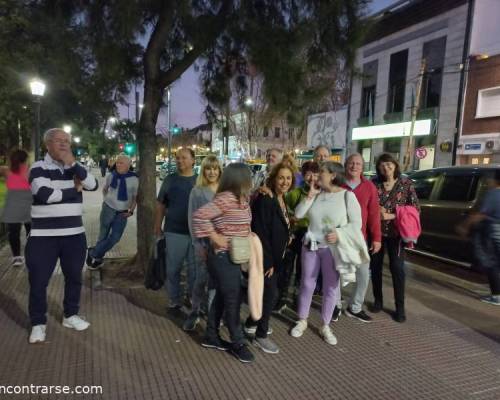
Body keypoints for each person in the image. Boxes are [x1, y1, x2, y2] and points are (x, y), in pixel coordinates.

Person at [26, 128, 98, 344]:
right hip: (42, 237)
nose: (65, 145)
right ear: (47, 144)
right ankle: (38, 323)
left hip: (74, 235)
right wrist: (74, 191)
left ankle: (70, 315)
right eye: (59, 141)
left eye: (67, 141)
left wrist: (74, 165)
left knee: (74, 277)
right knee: (38, 281)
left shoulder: (75, 168)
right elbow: (45, 195)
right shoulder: (38, 168)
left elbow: (93, 184)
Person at [291, 161, 362, 345]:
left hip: (332, 249)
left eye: (320, 172)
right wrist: (310, 196)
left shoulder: (347, 196)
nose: (316, 176)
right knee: (307, 284)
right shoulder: (315, 194)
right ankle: (302, 320)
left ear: (332, 175)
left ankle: (325, 325)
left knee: (331, 288)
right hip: (310, 246)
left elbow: (356, 225)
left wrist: (339, 233)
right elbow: (298, 215)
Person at [192, 163, 256, 363]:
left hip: (233, 256)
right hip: (222, 257)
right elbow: (199, 216)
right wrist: (214, 236)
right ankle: (237, 342)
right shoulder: (226, 198)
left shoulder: (241, 198)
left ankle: (211, 335)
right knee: (232, 299)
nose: (251, 179)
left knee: (222, 295)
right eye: (248, 177)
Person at [244, 162, 294, 354]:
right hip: (267, 258)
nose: (285, 182)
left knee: (269, 294)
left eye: (288, 178)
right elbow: (260, 231)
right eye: (281, 178)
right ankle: (260, 335)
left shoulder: (282, 199)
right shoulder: (267, 199)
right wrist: (269, 262)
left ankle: (252, 322)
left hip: (277, 257)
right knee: (270, 295)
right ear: (273, 179)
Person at [370, 153, 419, 323]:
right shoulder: (374, 184)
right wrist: (377, 212)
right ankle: (378, 301)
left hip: (396, 235)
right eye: (382, 165)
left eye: (389, 164)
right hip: (376, 234)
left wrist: (390, 215)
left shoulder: (406, 184)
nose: (386, 167)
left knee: (397, 269)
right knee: (375, 268)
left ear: (395, 165)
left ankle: (400, 308)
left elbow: (415, 209)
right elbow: (367, 205)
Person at [341, 153, 382, 322]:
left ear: (362, 167)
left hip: (359, 238)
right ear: (346, 165)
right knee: (337, 273)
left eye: (358, 164)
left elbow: (374, 214)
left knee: (363, 274)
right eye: (351, 163)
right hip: (339, 237)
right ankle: (334, 305)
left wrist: (377, 238)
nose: (354, 166)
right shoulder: (337, 183)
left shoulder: (369, 187)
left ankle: (355, 307)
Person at [183, 155, 222, 331]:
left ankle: (212, 313)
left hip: (221, 243)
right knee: (200, 279)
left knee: (216, 280)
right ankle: (195, 311)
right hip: (203, 243)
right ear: (203, 170)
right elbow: (192, 218)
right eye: (209, 168)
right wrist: (196, 243)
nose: (212, 172)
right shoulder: (197, 191)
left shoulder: (226, 190)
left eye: (215, 168)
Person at [155, 148, 197, 309]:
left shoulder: (200, 180)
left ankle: (192, 297)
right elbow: (161, 204)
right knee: (173, 268)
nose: (180, 161)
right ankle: (174, 299)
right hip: (174, 232)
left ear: (193, 160)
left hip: (196, 234)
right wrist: (157, 226)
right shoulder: (170, 180)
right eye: (178, 158)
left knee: (195, 271)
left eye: (184, 158)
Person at [275, 161, 320, 312]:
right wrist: (293, 218)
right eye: (308, 174)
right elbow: (284, 212)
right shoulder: (295, 193)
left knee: (303, 270)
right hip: (294, 234)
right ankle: (281, 298)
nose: (312, 177)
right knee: (286, 267)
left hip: (310, 236)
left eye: (315, 174)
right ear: (303, 175)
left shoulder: (322, 195)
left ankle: (298, 298)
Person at [86, 154, 138, 269]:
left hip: (122, 213)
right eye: (117, 162)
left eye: (121, 163)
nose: (118, 165)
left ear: (129, 165)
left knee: (115, 238)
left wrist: (131, 211)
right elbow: (105, 189)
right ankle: (98, 259)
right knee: (102, 236)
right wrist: (106, 200)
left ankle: (93, 252)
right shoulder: (112, 175)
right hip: (108, 209)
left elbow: (135, 197)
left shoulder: (134, 179)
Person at [462, 170, 500, 305]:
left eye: (490, 179)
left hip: (493, 229)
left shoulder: (494, 193)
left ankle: (496, 296)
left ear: (495, 180)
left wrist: (465, 226)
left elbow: (481, 214)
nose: (488, 181)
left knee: (492, 262)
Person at [0, 149, 32, 266]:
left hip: (12, 204)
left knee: (14, 232)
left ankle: (17, 257)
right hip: (28, 204)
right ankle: (31, 254)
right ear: (25, 159)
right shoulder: (29, 171)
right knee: (32, 231)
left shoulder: (5, 170)